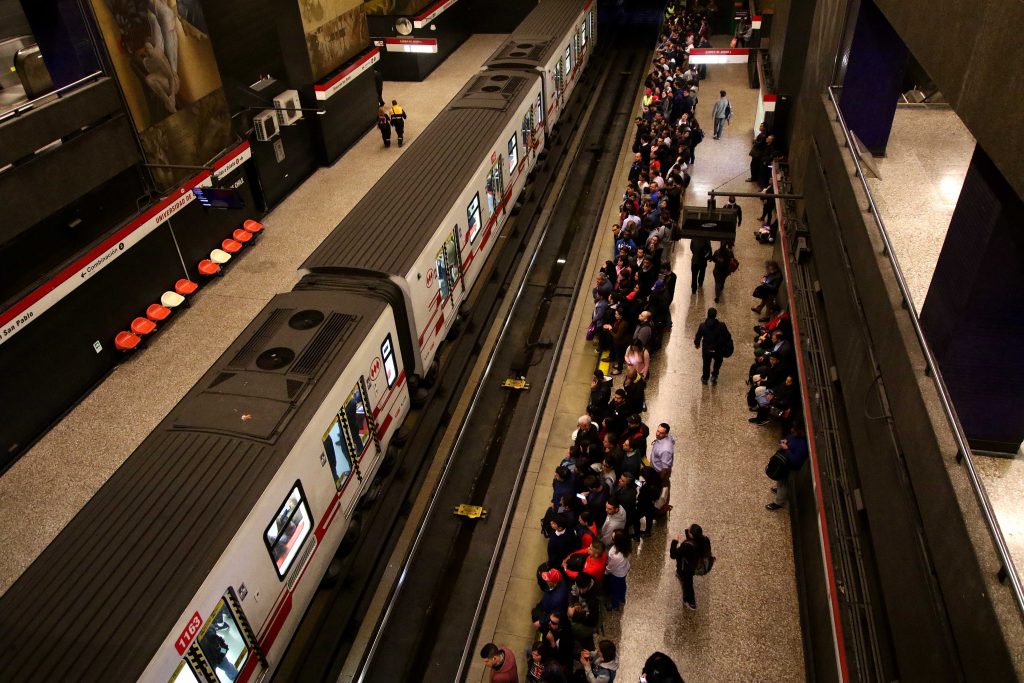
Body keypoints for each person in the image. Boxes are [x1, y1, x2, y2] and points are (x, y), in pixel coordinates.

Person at [767, 423, 809, 510]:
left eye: (794, 432)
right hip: (784, 463)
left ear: (800, 431)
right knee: (781, 481)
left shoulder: (803, 445)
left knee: (784, 484)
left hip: (790, 467)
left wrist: (786, 449)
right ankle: (779, 490)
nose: (792, 432)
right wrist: (785, 441)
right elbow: (789, 438)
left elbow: (796, 460)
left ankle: (779, 503)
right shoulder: (794, 435)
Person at [670, 523, 711, 610]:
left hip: (687, 569)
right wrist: (688, 532)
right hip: (695, 563)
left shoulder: (687, 547)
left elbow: (673, 555)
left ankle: (691, 603)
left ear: (691, 535)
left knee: (688, 584)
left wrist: (674, 541)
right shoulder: (705, 539)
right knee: (687, 580)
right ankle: (680, 575)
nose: (688, 527)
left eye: (689, 529)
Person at [693, 307, 733, 385]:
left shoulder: (702, 326)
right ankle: (714, 375)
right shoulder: (722, 325)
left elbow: (698, 337)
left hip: (707, 349)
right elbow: (728, 336)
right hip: (718, 349)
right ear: (715, 315)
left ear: (707, 315)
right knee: (718, 362)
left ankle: (705, 378)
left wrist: (697, 344)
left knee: (706, 364)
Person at [604, 529, 632, 610]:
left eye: (613, 537)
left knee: (615, 590)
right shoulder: (626, 547)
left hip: (617, 575)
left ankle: (615, 605)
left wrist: (606, 571)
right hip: (624, 571)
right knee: (622, 585)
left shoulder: (616, 556)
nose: (611, 538)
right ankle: (622, 598)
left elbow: (611, 567)